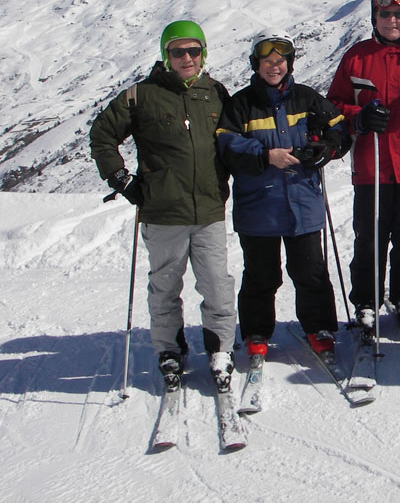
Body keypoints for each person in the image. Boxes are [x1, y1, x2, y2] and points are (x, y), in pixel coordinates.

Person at [89, 20, 237, 392]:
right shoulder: (142, 95)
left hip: (208, 209)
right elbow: (103, 134)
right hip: (162, 211)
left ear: (203, 53)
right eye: (178, 51)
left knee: (217, 285)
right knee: (165, 287)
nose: (187, 58)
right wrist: (121, 179)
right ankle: (169, 349)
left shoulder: (216, 93)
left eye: (194, 50)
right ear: (165, 54)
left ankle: (220, 348)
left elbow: (236, 139)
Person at [216, 30, 350, 361]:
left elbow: (340, 128)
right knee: (261, 275)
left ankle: (319, 327)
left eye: (280, 61)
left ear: (289, 64)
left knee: (310, 271)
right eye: (267, 61)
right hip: (258, 206)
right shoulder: (241, 104)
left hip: (303, 202)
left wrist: (327, 147)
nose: (274, 67)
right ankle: (256, 331)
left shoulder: (306, 98)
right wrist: (265, 156)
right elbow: (227, 144)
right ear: (256, 64)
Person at [326, 0, 400, 338]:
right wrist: (358, 117)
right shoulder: (357, 57)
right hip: (372, 167)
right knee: (370, 239)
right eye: (385, 13)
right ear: (375, 17)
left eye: (399, 14)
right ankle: (366, 301)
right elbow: (334, 105)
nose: (392, 20)